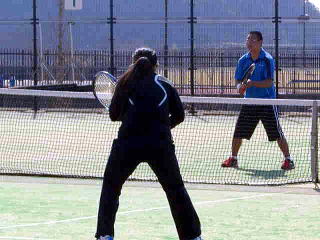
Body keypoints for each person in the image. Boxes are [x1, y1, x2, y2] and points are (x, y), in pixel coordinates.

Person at [95, 47, 203, 240]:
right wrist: (161, 127)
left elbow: (113, 115)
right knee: (176, 189)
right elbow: (179, 115)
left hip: (128, 144)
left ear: (133, 62)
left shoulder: (124, 83)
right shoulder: (165, 84)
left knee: (111, 187)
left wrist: (131, 119)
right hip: (160, 145)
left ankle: (105, 235)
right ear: (156, 65)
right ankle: (193, 236)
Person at [221, 31, 294, 170]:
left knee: (277, 133)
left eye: (252, 40)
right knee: (238, 132)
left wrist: (252, 83)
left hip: (267, 102)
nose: (249, 42)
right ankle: (233, 159)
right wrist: (239, 87)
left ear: (260, 42)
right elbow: (238, 78)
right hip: (250, 101)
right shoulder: (243, 60)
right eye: (247, 39)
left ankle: (288, 160)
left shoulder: (267, 59)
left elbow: (269, 83)